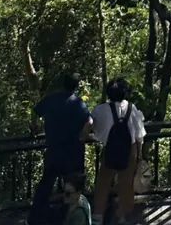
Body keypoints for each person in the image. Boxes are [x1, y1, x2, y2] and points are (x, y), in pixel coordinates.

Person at [82, 78, 146, 225]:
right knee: (126, 185)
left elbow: (90, 124)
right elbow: (139, 135)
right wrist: (140, 156)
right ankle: (123, 217)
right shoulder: (132, 108)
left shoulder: (101, 109)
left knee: (103, 183)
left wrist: (83, 137)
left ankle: (98, 217)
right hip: (130, 151)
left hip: (110, 150)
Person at [30, 75, 91, 225]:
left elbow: (35, 111)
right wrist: (82, 136)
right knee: (72, 185)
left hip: (54, 149)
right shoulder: (78, 103)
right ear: (76, 86)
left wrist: (34, 126)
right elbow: (89, 121)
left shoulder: (51, 99)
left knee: (46, 184)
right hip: (73, 151)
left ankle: (35, 217)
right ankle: (67, 217)